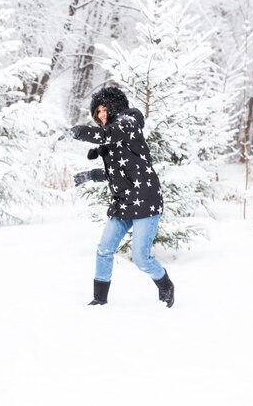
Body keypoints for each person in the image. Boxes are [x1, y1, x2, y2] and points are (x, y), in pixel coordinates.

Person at [60, 86, 174, 308]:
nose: (101, 115)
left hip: (145, 201)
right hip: (123, 203)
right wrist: (91, 175)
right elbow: (119, 173)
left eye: (104, 110)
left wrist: (76, 131)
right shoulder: (114, 137)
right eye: (97, 112)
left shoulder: (128, 123)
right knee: (104, 249)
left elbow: (106, 135)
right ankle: (100, 299)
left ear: (115, 106)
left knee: (141, 258)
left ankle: (165, 284)